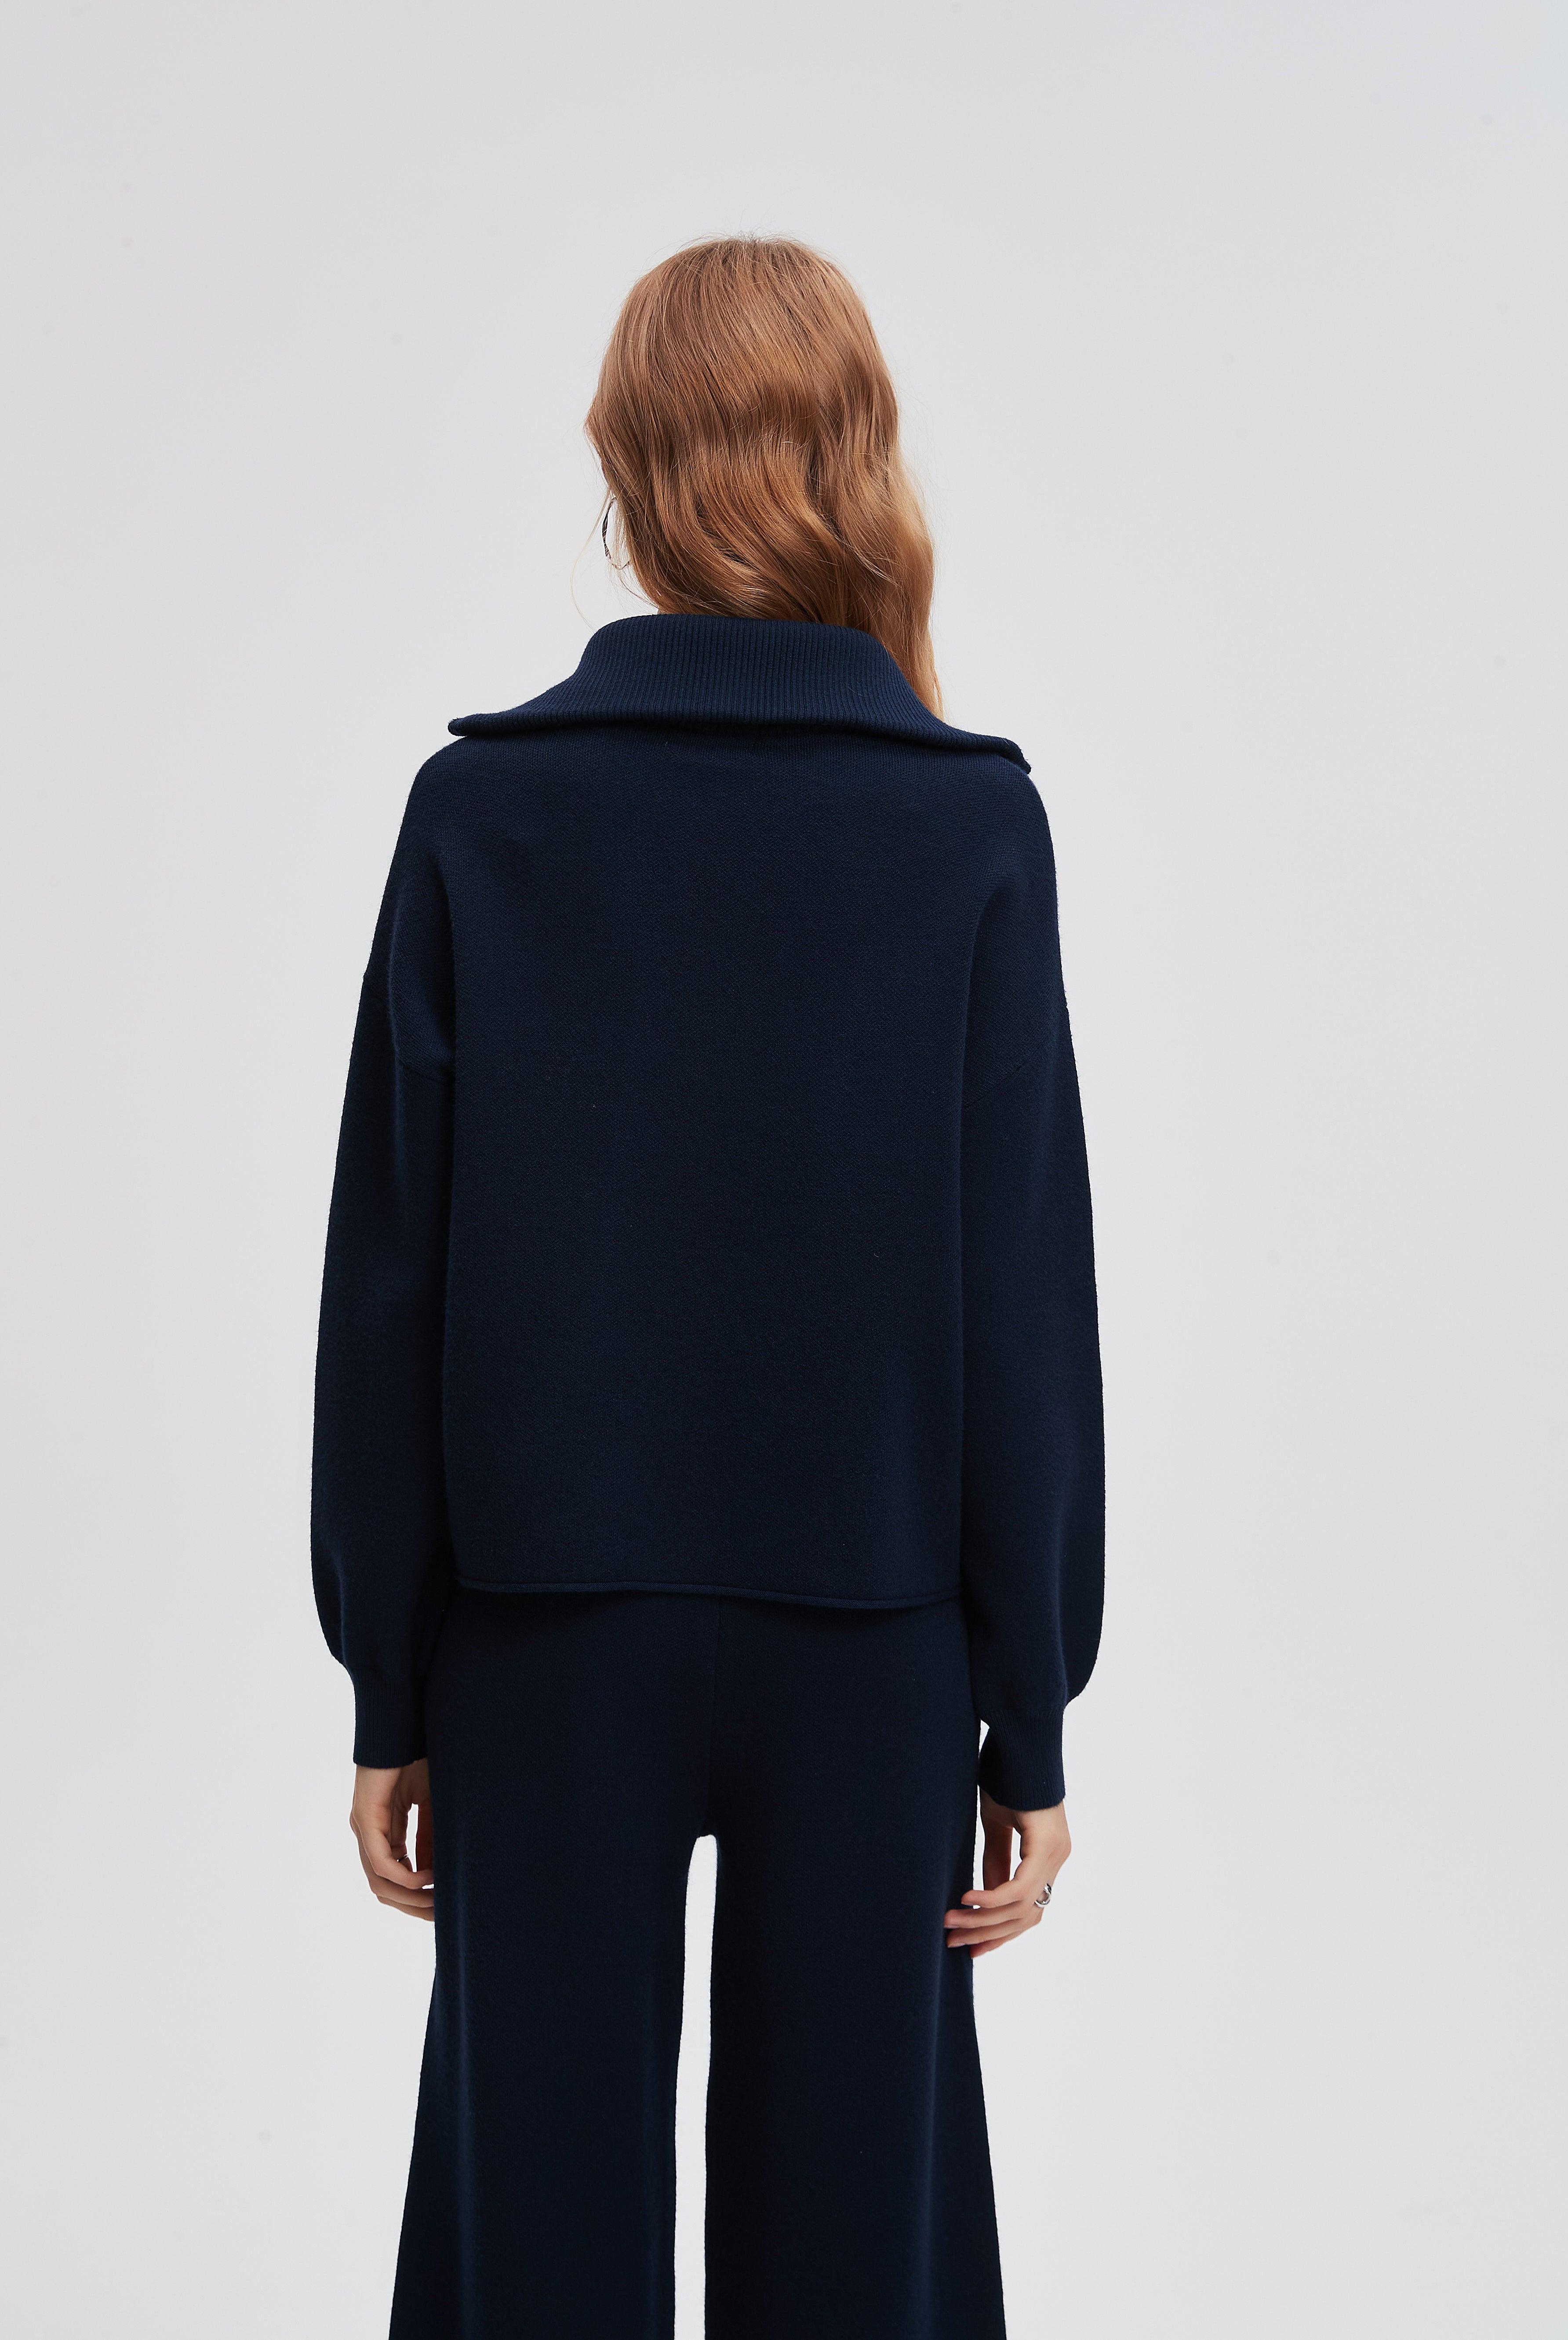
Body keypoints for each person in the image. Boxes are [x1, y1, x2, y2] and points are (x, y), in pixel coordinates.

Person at [311, 235, 1104, 2340]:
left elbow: (390, 1279)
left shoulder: (488, 812)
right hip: (871, 1635)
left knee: (529, 2237)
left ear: (626, 463)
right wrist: (1030, 1703)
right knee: (860, 2241)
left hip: (541, 1632)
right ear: (856, 459)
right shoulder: (966, 825)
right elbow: (1020, 1300)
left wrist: (391, 1674)